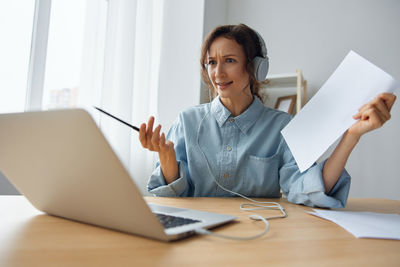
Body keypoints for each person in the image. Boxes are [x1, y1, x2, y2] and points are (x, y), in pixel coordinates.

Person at [138, 24, 396, 208]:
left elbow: (309, 189)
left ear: (256, 68)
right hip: (199, 239)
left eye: (229, 60)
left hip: (262, 236)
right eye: (211, 62)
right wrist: (167, 157)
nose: (217, 73)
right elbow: (169, 200)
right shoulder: (186, 121)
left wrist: (351, 135)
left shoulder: (282, 125)